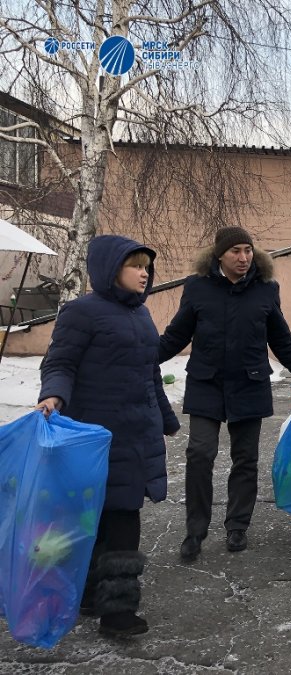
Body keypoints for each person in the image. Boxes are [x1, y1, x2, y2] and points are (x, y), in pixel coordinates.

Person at [37, 235, 180, 637]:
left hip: (135, 437)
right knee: (97, 521)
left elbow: (150, 373)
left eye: (146, 267)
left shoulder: (142, 314)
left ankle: (110, 607)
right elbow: (60, 362)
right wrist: (53, 395)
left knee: (119, 518)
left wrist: (165, 418)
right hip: (94, 437)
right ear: (110, 270)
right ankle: (99, 601)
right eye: (135, 266)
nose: (144, 274)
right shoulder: (81, 312)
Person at [158, 227, 291, 563]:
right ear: (219, 255)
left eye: (248, 250)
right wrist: (142, 359)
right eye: (235, 251)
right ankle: (195, 531)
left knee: (245, 459)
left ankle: (238, 525)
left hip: (249, 384)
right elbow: (176, 335)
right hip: (206, 383)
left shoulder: (266, 289)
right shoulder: (197, 287)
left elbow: (281, 341)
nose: (243, 258)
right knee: (199, 454)